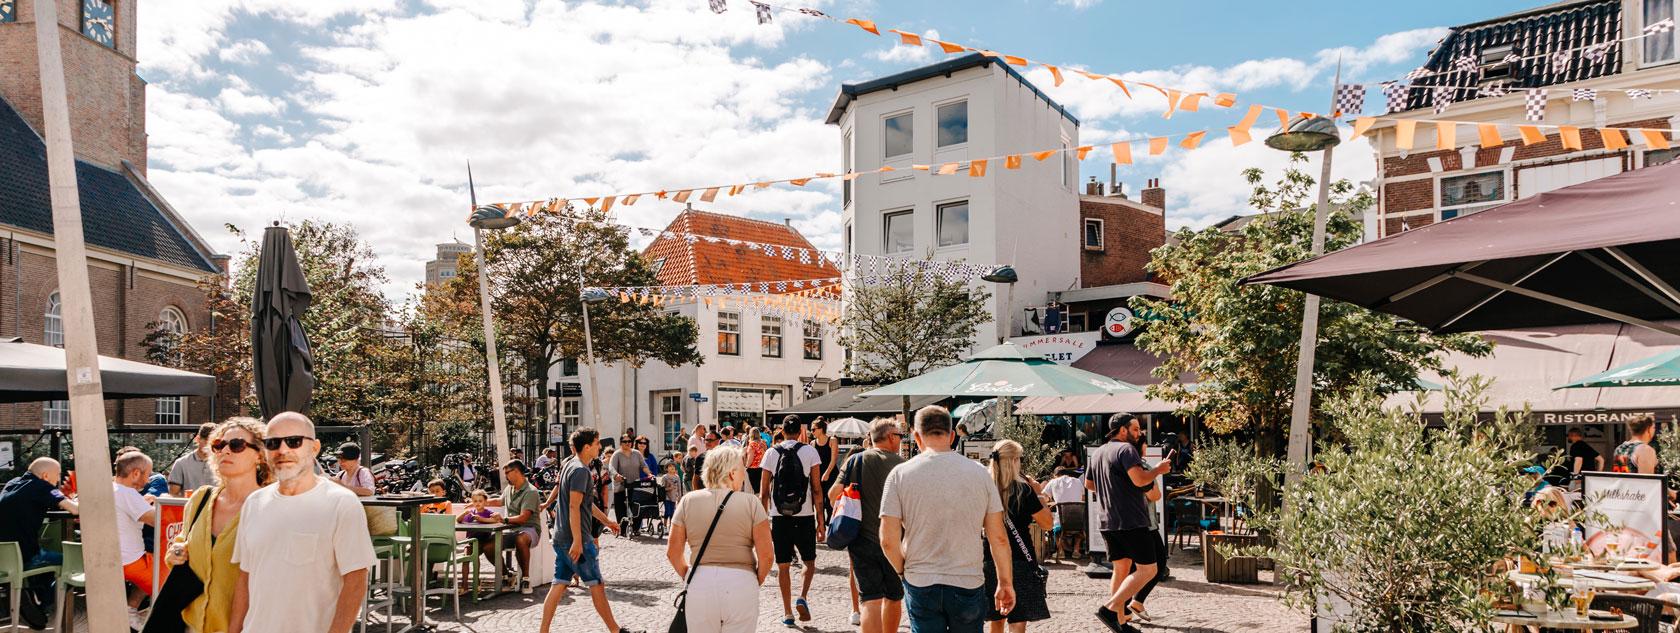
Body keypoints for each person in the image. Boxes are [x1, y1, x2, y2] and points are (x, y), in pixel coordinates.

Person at [228, 412, 376, 633]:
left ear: (314, 448)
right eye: (273, 443)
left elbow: (356, 581)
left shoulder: (341, 503)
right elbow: (245, 578)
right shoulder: (254, 503)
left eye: (294, 441)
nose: (283, 450)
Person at [881, 406, 1015, 633]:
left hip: (921, 579)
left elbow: (887, 540)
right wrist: (1005, 582)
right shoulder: (980, 474)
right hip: (967, 579)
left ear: (917, 436)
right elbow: (999, 538)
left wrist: (904, 570)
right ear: (952, 435)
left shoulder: (900, 475)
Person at [165, 417, 271, 633]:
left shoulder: (269, 507)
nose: (225, 451)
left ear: (259, 455)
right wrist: (175, 553)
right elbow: (180, 543)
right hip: (189, 625)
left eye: (236, 445)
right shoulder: (200, 499)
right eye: (219, 445)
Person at [539, 427, 639, 633]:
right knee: (596, 584)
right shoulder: (580, 471)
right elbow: (575, 506)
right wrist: (578, 540)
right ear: (586, 447)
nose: (599, 447)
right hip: (577, 540)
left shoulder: (570, 465)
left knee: (558, 584)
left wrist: (607, 521)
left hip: (561, 537)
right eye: (596, 443)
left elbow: (585, 503)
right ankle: (615, 631)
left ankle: (543, 631)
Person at [665, 446, 773, 633]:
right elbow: (767, 556)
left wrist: (689, 575)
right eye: (742, 469)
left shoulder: (688, 501)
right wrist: (754, 580)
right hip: (741, 581)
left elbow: (673, 552)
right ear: (732, 473)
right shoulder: (751, 503)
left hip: (700, 582)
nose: (744, 474)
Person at [1085, 414, 1173, 633]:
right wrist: (1158, 470)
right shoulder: (1126, 450)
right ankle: (1110, 609)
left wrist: (1114, 490)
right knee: (1149, 569)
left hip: (1108, 521)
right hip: (1131, 520)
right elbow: (1141, 480)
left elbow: (1089, 484)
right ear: (1122, 430)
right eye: (1135, 429)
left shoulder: (1098, 452)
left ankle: (1120, 621)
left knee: (1121, 569)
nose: (1139, 433)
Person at [831, 419, 908, 633]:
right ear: (891, 437)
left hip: (861, 540)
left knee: (870, 600)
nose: (901, 440)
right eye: (900, 436)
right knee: (893, 597)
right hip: (894, 541)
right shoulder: (903, 465)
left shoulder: (855, 460)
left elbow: (832, 495)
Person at [758, 415, 826, 627]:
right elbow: (816, 489)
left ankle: (787, 612)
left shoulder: (771, 452)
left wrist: (763, 522)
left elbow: (764, 492)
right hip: (804, 515)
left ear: (782, 430)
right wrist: (821, 521)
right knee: (809, 562)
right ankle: (802, 597)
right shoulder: (810, 451)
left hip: (779, 517)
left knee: (784, 565)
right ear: (800, 432)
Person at [984, 440, 1053, 632]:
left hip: (990, 559)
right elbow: (1047, 523)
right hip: (1021, 558)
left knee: (996, 616)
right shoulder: (1024, 490)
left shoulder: (985, 488)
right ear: (1014, 460)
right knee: (1018, 618)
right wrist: (1039, 494)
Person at [0, 457, 78, 570]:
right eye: (57, 475)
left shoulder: (11, 483)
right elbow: (75, 510)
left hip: (4, 560)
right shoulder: (43, 486)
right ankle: (55, 587)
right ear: (45, 476)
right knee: (74, 561)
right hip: (27, 558)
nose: (58, 480)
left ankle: (42, 587)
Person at [113, 450, 160, 628]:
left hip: (114, 558)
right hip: (130, 561)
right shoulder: (128, 494)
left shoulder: (112, 489)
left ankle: (130, 612)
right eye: (147, 474)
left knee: (156, 559)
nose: (148, 480)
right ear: (135, 473)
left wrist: (142, 502)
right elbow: (158, 521)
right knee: (173, 585)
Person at [487, 460, 542, 593]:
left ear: (517, 472)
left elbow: (523, 518)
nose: (505, 476)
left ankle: (526, 579)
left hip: (529, 529)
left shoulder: (530, 491)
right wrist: (477, 503)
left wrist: (503, 519)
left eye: (507, 473)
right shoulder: (509, 488)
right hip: (510, 529)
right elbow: (499, 501)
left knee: (521, 539)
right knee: (488, 545)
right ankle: (507, 575)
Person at [1041, 468, 1086, 564]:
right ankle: (1076, 550)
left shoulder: (1053, 481)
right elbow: (1082, 498)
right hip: (1079, 520)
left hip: (1062, 520)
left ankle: (1060, 551)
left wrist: (1051, 500)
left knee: (1055, 520)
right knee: (1078, 524)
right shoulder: (1078, 481)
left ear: (1056, 475)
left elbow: (1043, 497)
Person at [610, 440, 654, 535]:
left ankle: (635, 528)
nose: (627, 443)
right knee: (621, 508)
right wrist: (616, 475)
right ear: (621, 443)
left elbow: (644, 466)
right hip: (621, 485)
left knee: (637, 506)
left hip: (634, 485)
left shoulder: (637, 453)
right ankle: (622, 529)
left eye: (629, 441)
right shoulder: (617, 454)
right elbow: (611, 468)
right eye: (625, 441)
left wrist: (649, 474)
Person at [167, 422, 220, 496]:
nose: (209, 445)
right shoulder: (181, 463)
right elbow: (173, 494)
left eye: (212, 442)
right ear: (197, 439)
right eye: (206, 440)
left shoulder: (222, 463)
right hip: (189, 505)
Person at [812, 419, 840, 518]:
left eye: (813, 429)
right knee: (819, 502)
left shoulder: (832, 440)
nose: (812, 432)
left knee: (830, 501)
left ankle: (831, 523)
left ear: (821, 429)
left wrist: (827, 473)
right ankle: (821, 524)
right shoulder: (813, 443)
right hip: (818, 475)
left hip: (831, 474)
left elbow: (834, 459)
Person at [658, 462, 684, 532]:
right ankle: (665, 526)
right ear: (666, 468)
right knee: (667, 512)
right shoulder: (665, 477)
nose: (672, 467)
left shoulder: (677, 477)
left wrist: (680, 497)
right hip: (666, 497)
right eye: (670, 466)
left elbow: (679, 488)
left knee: (672, 512)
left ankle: (671, 526)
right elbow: (662, 489)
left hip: (674, 497)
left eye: (673, 466)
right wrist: (669, 488)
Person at [745, 429, 768, 494]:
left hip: (753, 469)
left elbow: (750, 458)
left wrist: (746, 467)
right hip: (762, 467)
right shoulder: (763, 443)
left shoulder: (752, 444)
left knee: (753, 490)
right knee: (761, 488)